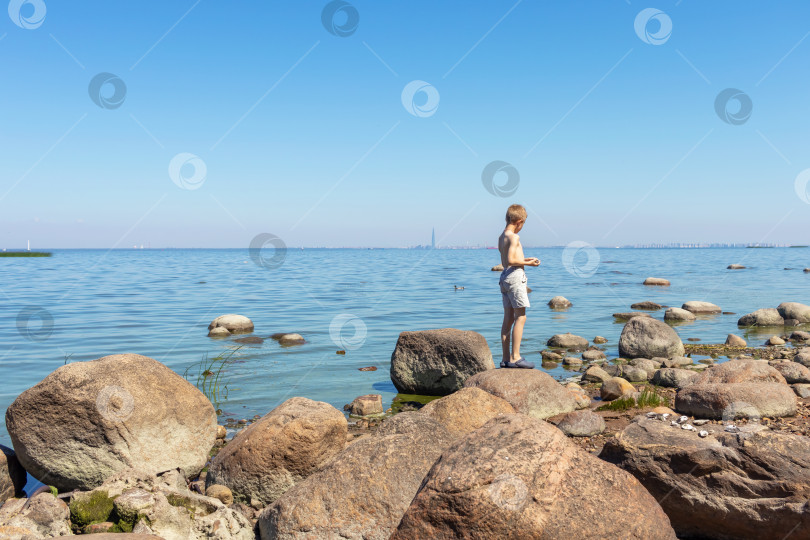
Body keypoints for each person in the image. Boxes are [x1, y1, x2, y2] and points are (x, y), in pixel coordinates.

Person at [498, 204, 540, 368]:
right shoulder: (514, 237)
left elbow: (506, 261)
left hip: (504, 277)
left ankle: (505, 358)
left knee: (508, 318)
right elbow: (511, 261)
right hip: (515, 277)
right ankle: (516, 357)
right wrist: (530, 265)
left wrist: (526, 260)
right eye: (523, 224)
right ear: (520, 221)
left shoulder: (502, 236)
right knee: (521, 317)